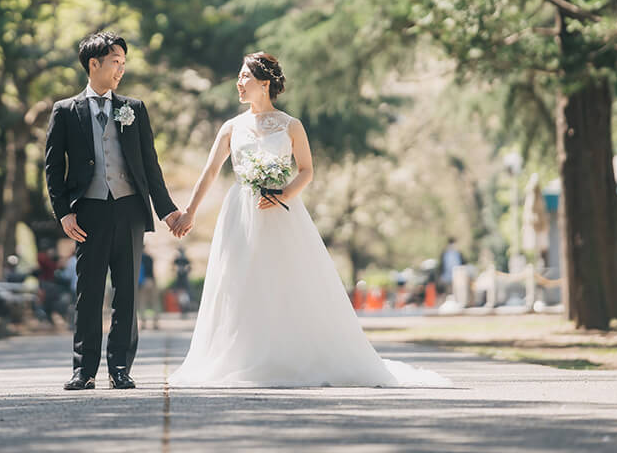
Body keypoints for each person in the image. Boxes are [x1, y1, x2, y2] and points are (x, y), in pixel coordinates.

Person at [168, 52, 447, 388]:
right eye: (239, 77)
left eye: (245, 77)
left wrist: (284, 194)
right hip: (240, 213)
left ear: (265, 84)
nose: (239, 83)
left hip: (282, 212)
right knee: (239, 282)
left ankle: (291, 355)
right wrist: (190, 212)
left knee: (286, 280)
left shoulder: (291, 126)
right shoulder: (231, 128)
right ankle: (241, 356)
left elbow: (307, 171)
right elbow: (210, 172)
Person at [45, 31, 186, 391]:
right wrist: (63, 212)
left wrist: (168, 211)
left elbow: (149, 166)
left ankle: (120, 368)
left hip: (129, 211)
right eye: (115, 62)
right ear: (94, 64)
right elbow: (52, 168)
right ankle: (84, 370)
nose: (121, 69)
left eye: (124, 63)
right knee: (89, 294)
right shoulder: (64, 110)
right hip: (87, 213)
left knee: (127, 292)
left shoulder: (134, 109)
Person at [138, 247, 159, 330]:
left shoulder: (138, 258)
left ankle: (143, 323)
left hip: (142, 283)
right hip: (151, 281)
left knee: (142, 303)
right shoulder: (149, 257)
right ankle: (155, 323)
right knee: (154, 303)